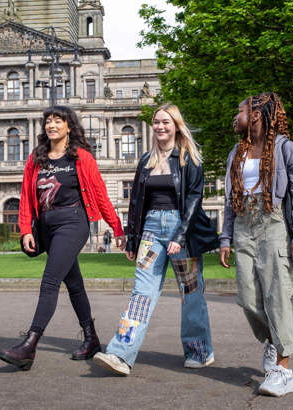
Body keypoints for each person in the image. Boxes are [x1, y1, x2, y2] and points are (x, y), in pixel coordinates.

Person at [93, 104, 219, 376]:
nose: (160, 126)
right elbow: (136, 202)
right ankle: (120, 354)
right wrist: (132, 238)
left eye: (166, 122)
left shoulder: (190, 158)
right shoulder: (146, 161)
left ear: (176, 125)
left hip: (180, 229)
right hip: (151, 230)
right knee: (142, 293)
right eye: (156, 122)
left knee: (191, 293)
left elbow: (195, 200)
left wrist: (180, 235)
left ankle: (199, 351)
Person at [0, 106, 125, 371]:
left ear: (69, 126)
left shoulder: (81, 157)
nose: (51, 125)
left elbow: (100, 194)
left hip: (72, 222)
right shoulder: (36, 158)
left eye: (58, 120)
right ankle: (91, 339)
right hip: (46, 226)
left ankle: (29, 346)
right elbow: (25, 197)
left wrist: (117, 229)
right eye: (48, 121)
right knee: (75, 284)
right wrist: (25, 229)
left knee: (50, 281)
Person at [219, 93, 293, 397]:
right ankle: (272, 342)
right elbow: (228, 200)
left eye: (240, 111)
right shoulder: (237, 152)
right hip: (244, 224)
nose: (235, 117)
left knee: (277, 297)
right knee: (247, 297)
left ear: (257, 115)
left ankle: (284, 370)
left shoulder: (287, 149)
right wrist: (225, 238)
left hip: (273, 223)